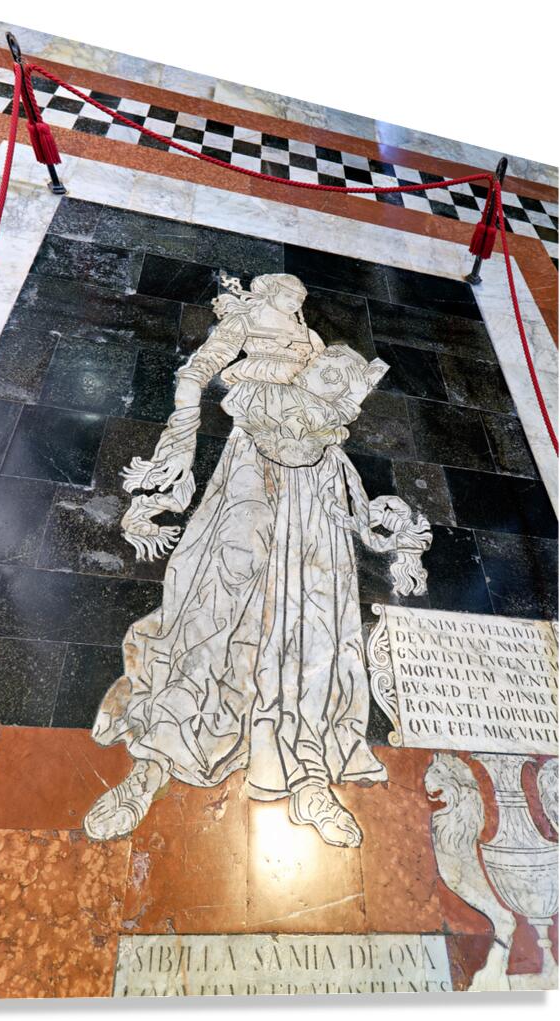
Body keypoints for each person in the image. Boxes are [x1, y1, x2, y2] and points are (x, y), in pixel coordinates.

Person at [84, 273, 431, 846]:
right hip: (254, 458)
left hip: (315, 467)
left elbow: (331, 389)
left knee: (314, 614)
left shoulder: (313, 340)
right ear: (266, 293)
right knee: (216, 599)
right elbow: (196, 374)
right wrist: (178, 443)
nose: (298, 299)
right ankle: (148, 772)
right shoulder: (242, 323)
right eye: (287, 292)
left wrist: (328, 392)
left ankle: (311, 778)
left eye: (301, 294)